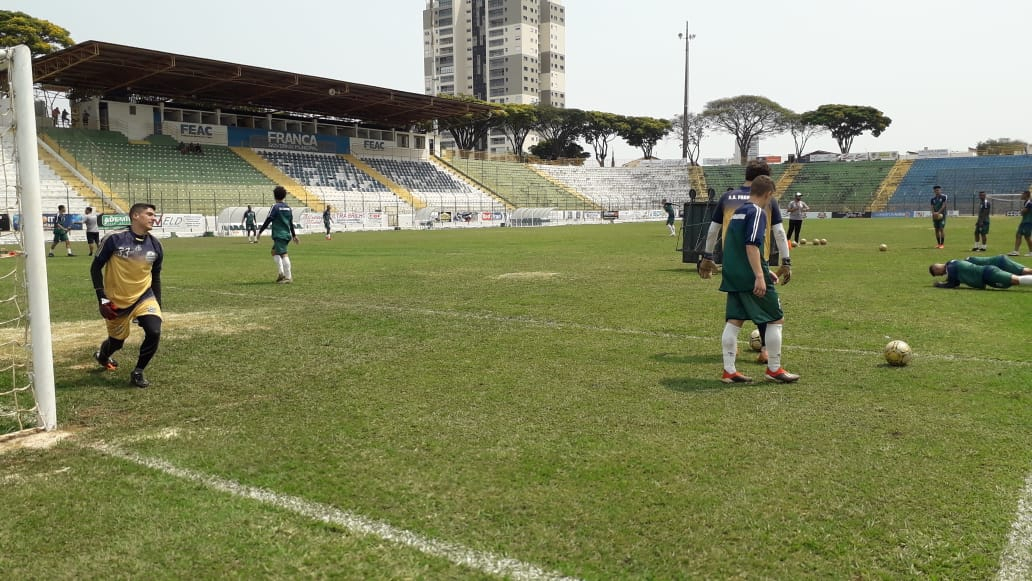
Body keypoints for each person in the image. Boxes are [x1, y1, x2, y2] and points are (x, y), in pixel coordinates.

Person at [699, 159, 793, 365]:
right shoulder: (767, 200)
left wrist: (707, 256)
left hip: (732, 261)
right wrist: (786, 260)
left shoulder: (727, 197)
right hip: (758, 258)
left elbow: (713, 229)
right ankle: (767, 353)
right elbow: (778, 231)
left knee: (736, 307)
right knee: (767, 308)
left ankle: (732, 355)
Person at [716, 175, 799, 384]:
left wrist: (764, 269)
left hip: (734, 275)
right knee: (775, 318)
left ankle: (729, 371)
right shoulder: (757, 212)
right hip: (749, 278)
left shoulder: (738, 212)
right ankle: (774, 368)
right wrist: (760, 276)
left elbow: (737, 246)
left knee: (734, 320)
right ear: (769, 194)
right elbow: (751, 245)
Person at [90, 203, 163, 388]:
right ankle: (103, 355)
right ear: (136, 216)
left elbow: (155, 276)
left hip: (143, 297)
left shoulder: (155, 245)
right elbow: (95, 268)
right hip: (116, 301)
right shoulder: (114, 239)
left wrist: (158, 304)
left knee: (154, 330)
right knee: (116, 343)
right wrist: (102, 299)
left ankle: (138, 372)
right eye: (149, 214)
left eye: (154, 215)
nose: (153, 218)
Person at [256, 186, 299, 284]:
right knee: (274, 252)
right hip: (286, 234)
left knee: (283, 254)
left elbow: (268, 219)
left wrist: (260, 232)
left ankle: (288, 277)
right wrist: (294, 235)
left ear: (275, 196)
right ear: (284, 196)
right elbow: (290, 222)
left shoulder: (275, 207)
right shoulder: (288, 208)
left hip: (279, 235)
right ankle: (281, 274)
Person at [929, 254, 1032, 289]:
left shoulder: (951, 268)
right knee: (1019, 277)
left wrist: (940, 284)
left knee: (1017, 279)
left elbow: (952, 283)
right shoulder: (953, 263)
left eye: (939, 273)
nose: (942, 274)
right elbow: (954, 281)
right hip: (988, 274)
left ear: (937, 269)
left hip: (990, 273)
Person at [1009, 190, 1032, 257]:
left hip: (1027, 222)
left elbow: (1023, 212)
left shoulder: (1029, 203)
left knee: (1026, 237)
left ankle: (1017, 251)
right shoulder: (1026, 202)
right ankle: (1016, 251)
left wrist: (1021, 211)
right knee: (1019, 235)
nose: (1021, 195)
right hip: (1025, 222)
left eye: (1022, 194)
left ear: (1026, 195)